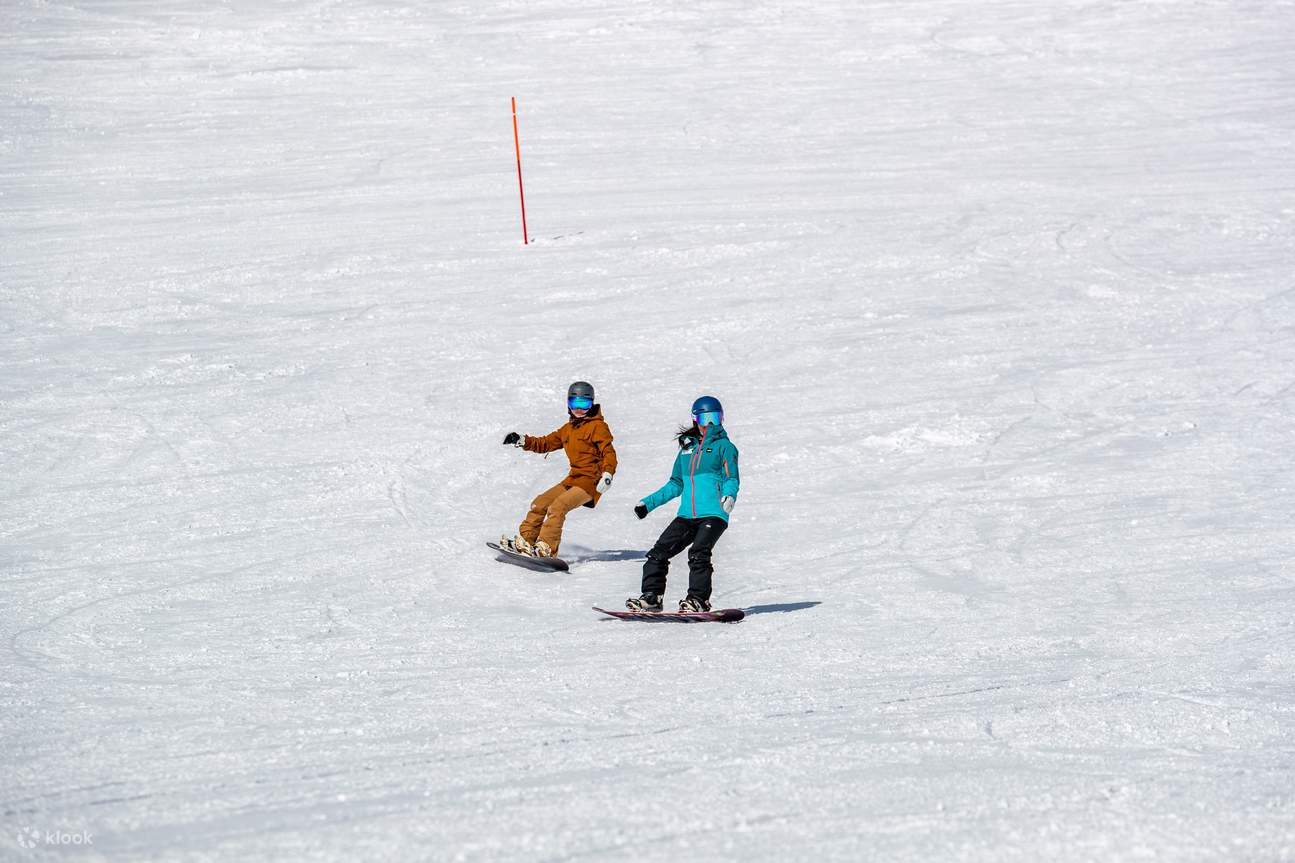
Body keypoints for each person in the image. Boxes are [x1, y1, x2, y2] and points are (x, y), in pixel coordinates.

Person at [628, 395, 739, 612]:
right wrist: (647, 504)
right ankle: (652, 597)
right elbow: (676, 483)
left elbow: (731, 477)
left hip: (714, 514)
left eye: (714, 418)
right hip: (686, 516)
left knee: (699, 553)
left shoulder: (725, 447)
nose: (709, 424)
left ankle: (698, 600)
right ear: (695, 419)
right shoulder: (686, 450)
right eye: (705, 418)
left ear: (721, 419)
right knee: (658, 553)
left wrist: (729, 496)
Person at [500, 381, 617, 558]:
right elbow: (545, 443)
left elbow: (609, 452)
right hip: (572, 480)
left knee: (558, 506)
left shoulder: (598, 427)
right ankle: (527, 542)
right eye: (574, 404)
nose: (579, 409)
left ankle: (546, 548)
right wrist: (522, 440)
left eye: (584, 405)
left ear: (592, 404)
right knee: (540, 503)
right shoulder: (567, 429)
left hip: (591, 483)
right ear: (568, 405)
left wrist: (607, 474)